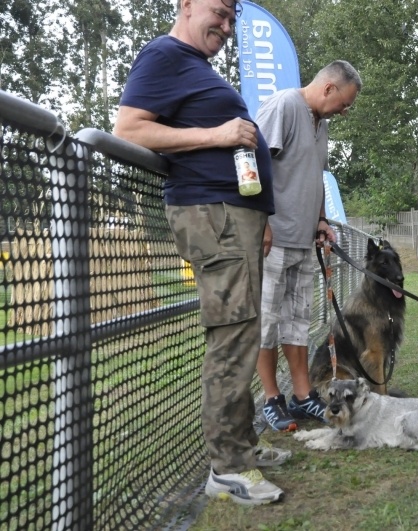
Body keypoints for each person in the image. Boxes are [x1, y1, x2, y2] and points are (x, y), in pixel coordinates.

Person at [113, 0, 289, 505]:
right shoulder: (164, 55)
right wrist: (218, 133)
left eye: (233, 18)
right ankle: (228, 470)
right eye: (219, 12)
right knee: (233, 336)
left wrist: (263, 216)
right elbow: (129, 128)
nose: (228, 27)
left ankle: (243, 451)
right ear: (185, 5)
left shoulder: (195, 67)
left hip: (236, 218)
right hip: (212, 216)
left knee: (243, 330)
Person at [254, 60, 361, 431]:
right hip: (272, 239)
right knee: (265, 323)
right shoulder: (284, 105)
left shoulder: (323, 125)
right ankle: (272, 399)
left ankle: (302, 397)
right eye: (344, 103)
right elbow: (254, 160)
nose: (346, 112)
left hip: (303, 241)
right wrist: (262, 221)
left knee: (297, 322)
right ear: (329, 88)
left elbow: (315, 176)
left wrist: (319, 220)